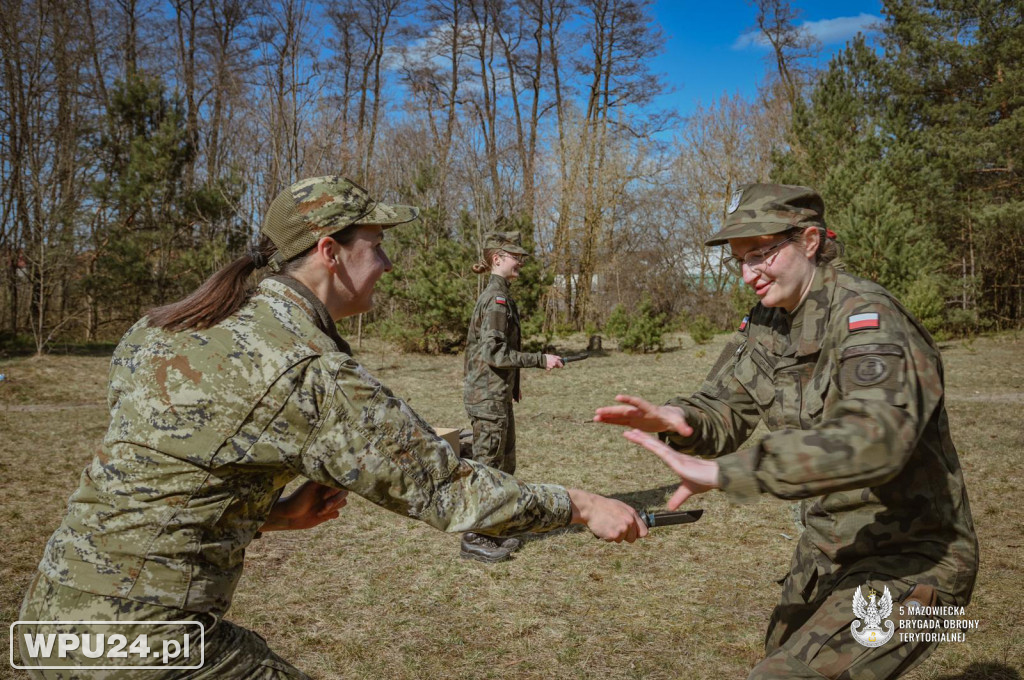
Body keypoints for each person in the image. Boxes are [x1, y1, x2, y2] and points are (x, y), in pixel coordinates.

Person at [19, 176, 647, 679]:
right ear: (328, 252)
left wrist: (275, 516)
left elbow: (158, 478)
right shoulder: (307, 371)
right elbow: (446, 488)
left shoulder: (161, 329)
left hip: (52, 622)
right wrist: (581, 506)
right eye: (376, 244)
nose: (389, 263)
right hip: (146, 642)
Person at [594, 183, 978, 680]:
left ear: (811, 241)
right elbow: (725, 407)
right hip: (829, 552)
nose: (748, 273)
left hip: (919, 561)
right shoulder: (769, 323)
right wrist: (678, 420)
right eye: (739, 259)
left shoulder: (868, 318)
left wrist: (732, 473)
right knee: (777, 657)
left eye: (761, 253)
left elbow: (876, 441)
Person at [459, 231, 564, 563]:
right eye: (516, 256)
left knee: (504, 466)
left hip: (495, 396)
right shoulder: (496, 299)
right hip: (488, 397)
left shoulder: (500, 296)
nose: (521, 262)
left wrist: (514, 384)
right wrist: (539, 359)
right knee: (488, 468)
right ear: (497, 259)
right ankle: (474, 536)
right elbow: (495, 353)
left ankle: (496, 527)